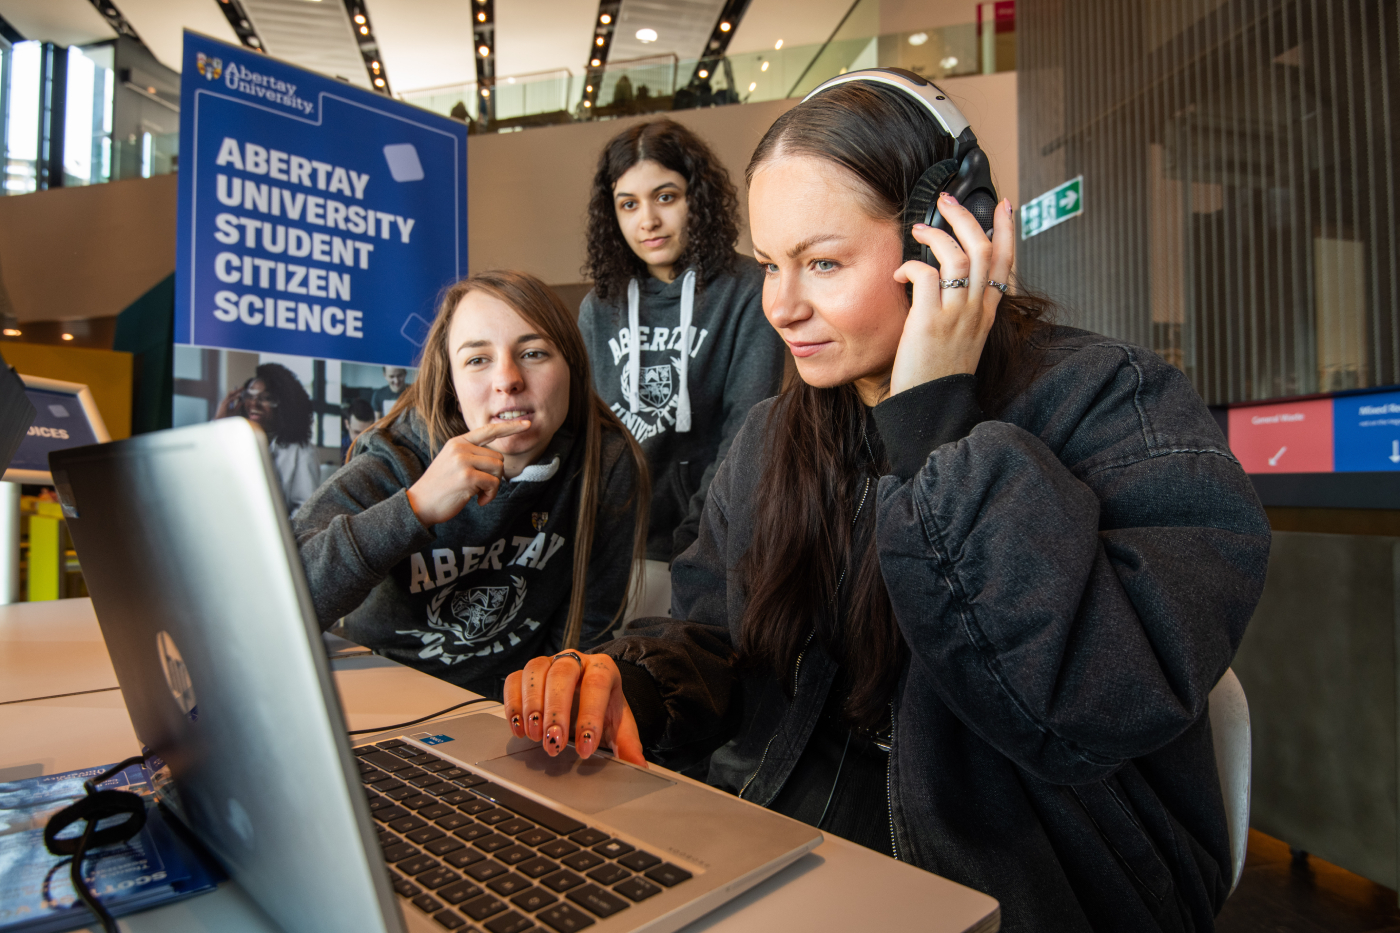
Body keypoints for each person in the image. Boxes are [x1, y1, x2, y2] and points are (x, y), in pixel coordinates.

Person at [502, 74, 1271, 931]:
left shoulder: (1114, 403)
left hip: (1016, 881)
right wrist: (630, 681)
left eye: (822, 262)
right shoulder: (770, 438)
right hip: (783, 844)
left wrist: (935, 422)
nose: (781, 307)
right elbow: (720, 638)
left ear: (949, 239)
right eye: (769, 265)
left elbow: (1087, 702)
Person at [292, 271, 649, 698]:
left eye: (533, 353)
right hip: (380, 702)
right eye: (478, 360)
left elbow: (584, 636)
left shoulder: (604, 461)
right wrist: (415, 507)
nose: (508, 379)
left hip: (502, 717)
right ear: (452, 384)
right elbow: (283, 601)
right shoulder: (397, 457)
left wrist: (534, 718)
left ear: (571, 365)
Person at [578, 119, 786, 613]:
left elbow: (744, 433)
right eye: (628, 204)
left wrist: (695, 543)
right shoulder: (599, 306)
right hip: (612, 548)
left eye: (665, 196)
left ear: (699, 196)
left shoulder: (746, 290)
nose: (646, 220)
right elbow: (587, 434)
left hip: (709, 544)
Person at [217, 362, 319, 515]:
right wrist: (219, 423)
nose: (254, 404)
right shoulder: (233, 441)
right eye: (249, 396)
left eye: (265, 398)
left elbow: (306, 510)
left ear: (285, 405)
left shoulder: (301, 451)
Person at [339, 397, 376, 462]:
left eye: (366, 433)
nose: (361, 438)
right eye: (356, 432)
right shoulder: (339, 449)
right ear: (347, 424)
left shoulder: (378, 451)